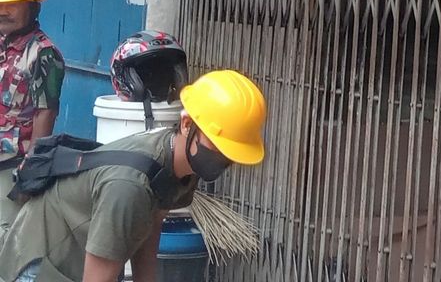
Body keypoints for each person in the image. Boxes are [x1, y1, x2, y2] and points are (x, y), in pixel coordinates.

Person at [0, 69, 267, 282]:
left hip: (83, 254)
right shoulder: (129, 187)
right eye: (219, 147)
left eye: (232, 153)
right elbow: (98, 277)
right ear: (187, 125)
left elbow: (151, 228)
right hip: (43, 259)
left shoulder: (180, 162)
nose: (223, 158)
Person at [0, 0, 65, 236]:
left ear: (32, 7)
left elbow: (45, 113)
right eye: (0, 5)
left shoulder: (43, 53)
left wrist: (32, 169)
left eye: (12, 5)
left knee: (6, 236)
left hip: (12, 165)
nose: (4, 12)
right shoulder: (3, 45)